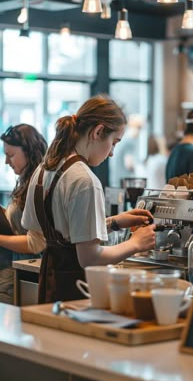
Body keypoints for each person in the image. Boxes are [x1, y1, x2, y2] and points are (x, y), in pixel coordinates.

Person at [22, 94, 156, 304]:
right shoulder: (85, 180)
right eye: (114, 142)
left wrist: (114, 222)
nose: (112, 153)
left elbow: (51, 233)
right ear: (98, 131)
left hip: (51, 282)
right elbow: (90, 258)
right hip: (76, 290)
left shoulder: (44, 169)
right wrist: (136, 243)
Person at [0, 124, 47, 304]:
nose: (6, 162)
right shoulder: (24, 183)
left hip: (20, 275)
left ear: (29, 152)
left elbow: (35, 243)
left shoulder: (38, 186)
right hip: (11, 272)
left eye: (11, 155)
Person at [109, 113, 145, 187]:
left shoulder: (123, 140)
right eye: (139, 128)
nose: (140, 131)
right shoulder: (129, 142)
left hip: (115, 182)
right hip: (124, 184)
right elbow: (129, 164)